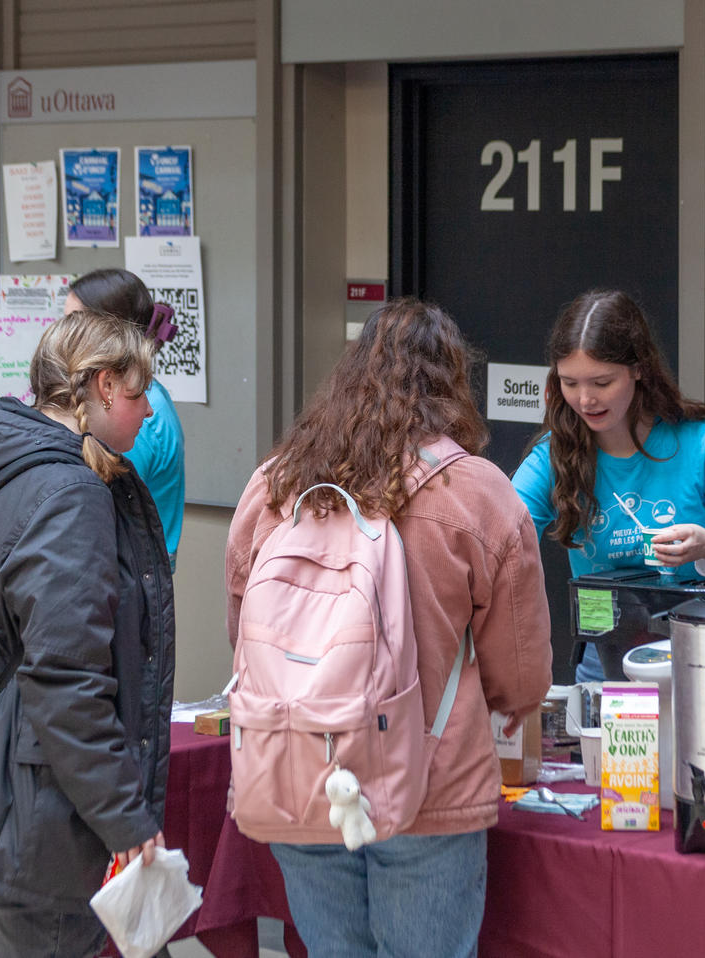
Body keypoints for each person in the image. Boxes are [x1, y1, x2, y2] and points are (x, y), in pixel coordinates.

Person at [225, 299, 552, 958]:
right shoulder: (477, 492)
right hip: (429, 779)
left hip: (299, 769)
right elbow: (519, 670)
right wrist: (512, 705)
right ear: (451, 384)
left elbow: (244, 626)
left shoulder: (275, 485)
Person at [0, 308, 175, 956]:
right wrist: (124, 816)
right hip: (46, 814)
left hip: (27, 794)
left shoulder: (24, 469)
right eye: (140, 390)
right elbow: (64, 674)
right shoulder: (67, 491)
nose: (148, 410)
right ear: (102, 385)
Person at [511, 289, 705, 683]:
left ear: (638, 369)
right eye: (569, 383)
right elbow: (496, 538)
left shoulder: (704, 443)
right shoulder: (554, 455)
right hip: (603, 661)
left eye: (602, 382)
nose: (585, 400)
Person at [65, 267, 186, 569]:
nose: (62, 334)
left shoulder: (135, 411)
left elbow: (97, 515)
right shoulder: (130, 394)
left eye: (74, 322)